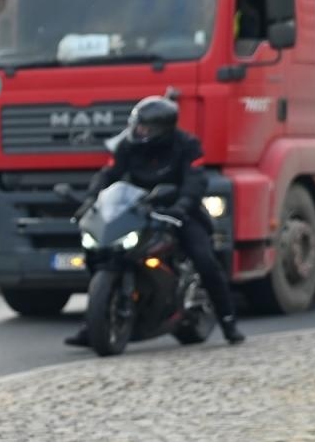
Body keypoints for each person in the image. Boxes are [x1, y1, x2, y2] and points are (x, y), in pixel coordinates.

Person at [66, 95, 244, 346]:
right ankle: (94, 324)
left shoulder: (187, 145)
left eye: (145, 128)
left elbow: (195, 181)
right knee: (100, 253)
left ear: (163, 129)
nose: (139, 131)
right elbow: (109, 174)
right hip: (137, 208)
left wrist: (181, 206)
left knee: (204, 260)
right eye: (137, 126)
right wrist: (91, 199)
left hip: (178, 211)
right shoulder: (127, 145)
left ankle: (228, 321)